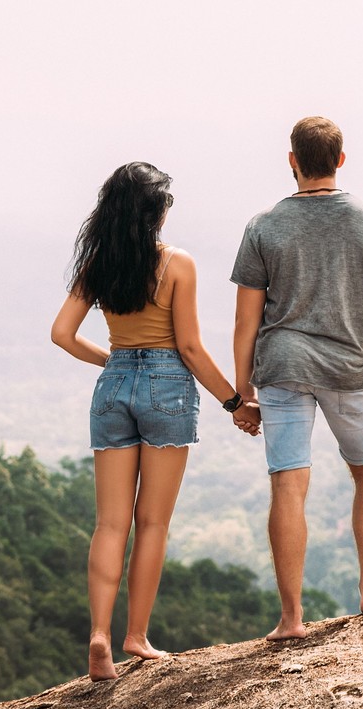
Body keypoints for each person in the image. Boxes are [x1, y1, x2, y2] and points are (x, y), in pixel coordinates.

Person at [52, 162, 246, 680]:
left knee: (109, 523)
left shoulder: (97, 264)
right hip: (167, 389)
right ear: (155, 212)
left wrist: (113, 363)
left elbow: (62, 334)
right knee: (152, 523)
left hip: (113, 386)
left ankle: (98, 636)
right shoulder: (177, 264)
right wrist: (234, 403)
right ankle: (135, 637)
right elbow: (188, 346)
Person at [230, 117, 363, 639]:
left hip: (281, 366)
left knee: (288, 484)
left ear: (292, 160)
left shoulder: (263, 227)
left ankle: (290, 618)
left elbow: (246, 320)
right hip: (349, 368)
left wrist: (241, 390)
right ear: (341, 159)